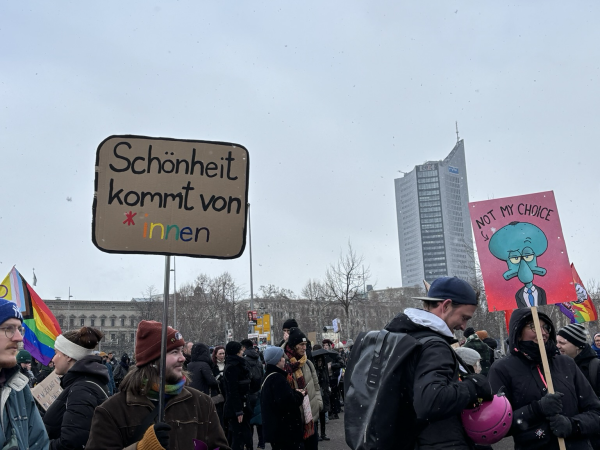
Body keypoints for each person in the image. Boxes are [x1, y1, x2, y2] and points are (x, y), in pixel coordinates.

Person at [359, 276, 490, 449]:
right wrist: (474, 385)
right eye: (464, 317)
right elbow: (431, 401)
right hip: (434, 441)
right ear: (446, 306)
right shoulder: (434, 346)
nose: (464, 326)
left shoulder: (404, 336)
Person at [86, 320, 229, 450]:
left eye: (181, 351)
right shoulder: (112, 411)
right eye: (174, 352)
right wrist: (141, 448)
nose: (182, 358)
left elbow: (219, 447)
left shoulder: (201, 403)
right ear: (153, 360)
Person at [488, 309, 600, 449]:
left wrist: (573, 425)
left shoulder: (566, 363)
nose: (543, 332)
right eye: (534, 326)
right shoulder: (501, 369)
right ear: (518, 332)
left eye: (546, 327)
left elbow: (596, 412)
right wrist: (536, 409)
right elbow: (497, 425)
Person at [44, 327, 109, 449]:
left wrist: (39, 447)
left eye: (56, 353)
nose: (53, 359)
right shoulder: (85, 383)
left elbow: (73, 443)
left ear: (68, 356)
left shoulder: (81, 389)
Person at [0, 299, 48, 449]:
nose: (19, 338)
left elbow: (38, 443)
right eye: (8, 328)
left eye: (20, 329)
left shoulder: (19, 387)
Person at [283, 328, 322, 450]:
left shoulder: (308, 363)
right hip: (294, 420)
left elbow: (316, 386)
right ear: (293, 345)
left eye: (305, 344)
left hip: (311, 419)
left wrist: (319, 404)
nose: (304, 348)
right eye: (301, 345)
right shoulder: (284, 365)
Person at [261, 346, 305, 450]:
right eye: (282, 357)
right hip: (284, 431)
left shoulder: (269, 376)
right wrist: (299, 395)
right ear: (277, 360)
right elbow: (288, 403)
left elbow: (279, 398)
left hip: (276, 430)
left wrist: (293, 392)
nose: (284, 359)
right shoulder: (277, 378)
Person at [223, 341, 252, 450]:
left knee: (242, 435)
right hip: (237, 408)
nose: (242, 352)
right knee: (239, 437)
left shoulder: (239, 364)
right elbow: (232, 391)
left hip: (242, 405)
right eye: (240, 350)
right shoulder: (232, 367)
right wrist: (238, 410)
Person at [241, 339, 265, 449]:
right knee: (260, 421)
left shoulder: (244, 361)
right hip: (259, 392)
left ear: (244, 348)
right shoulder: (259, 360)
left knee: (248, 422)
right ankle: (262, 443)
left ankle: (249, 444)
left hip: (249, 393)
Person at [311, 344, 331, 441]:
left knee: (323, 413)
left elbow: (326, 376)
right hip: (317, 391)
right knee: (316, 414)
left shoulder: (323, 364)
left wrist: (328, 387)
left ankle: (323, 433)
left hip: (324, 390)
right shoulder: (312, 364)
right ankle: (317, 434)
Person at [322, 339, 344, 419]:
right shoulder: (322, 355)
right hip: (326, 378)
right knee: (328, 395)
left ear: (330, 346)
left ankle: (335, 412)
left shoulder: (334, 354)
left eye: (327, 345)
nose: (325, 347)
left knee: (334, 395)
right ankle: (330, 411)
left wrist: (332, 366)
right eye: (324, 345)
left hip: (334, 377)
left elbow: (341, 363)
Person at [212, 345, 227, 432]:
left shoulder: (227, 364)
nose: (222, 355)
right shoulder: (213, 366)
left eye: (223, 353)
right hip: (218, 394)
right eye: (220, 354)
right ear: (216, 355)